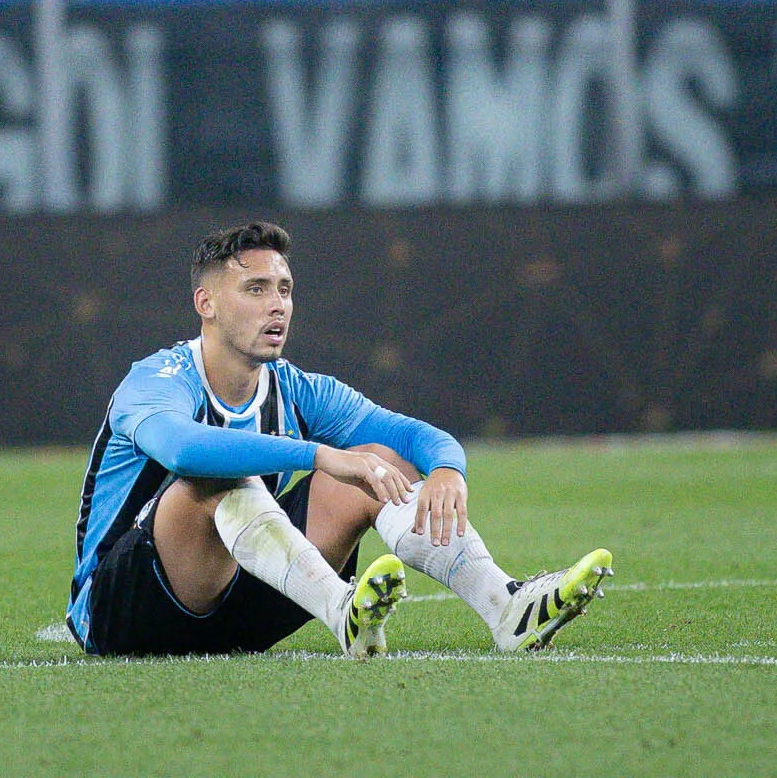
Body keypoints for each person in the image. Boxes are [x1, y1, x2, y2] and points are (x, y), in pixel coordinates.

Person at [68, 219, 613, 659]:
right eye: (254, 289)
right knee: (219, 476)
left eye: (284, 289)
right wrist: (320, 455)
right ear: (205, 304)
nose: (276, 305)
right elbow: (185, 450)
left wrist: (448, 468)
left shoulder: (297, 388)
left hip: (239, 609)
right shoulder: (156, 380)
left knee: (374, 463)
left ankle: (504, 609)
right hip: (124, 613)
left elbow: (408, 435)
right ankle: (340, 609)